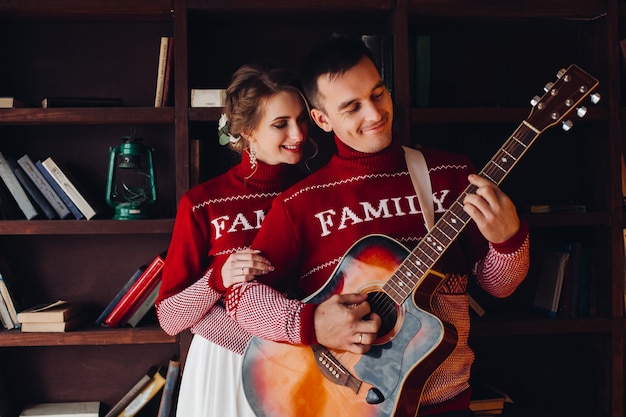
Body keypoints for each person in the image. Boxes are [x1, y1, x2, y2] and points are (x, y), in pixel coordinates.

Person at [224, 36, 530, 416]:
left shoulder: (450, 174)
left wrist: (509, 241)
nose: (375, 114)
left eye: (379, 94)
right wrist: (312, 323)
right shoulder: (298, 204)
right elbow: (240, 300)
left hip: (447, 405)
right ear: (322, 119)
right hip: (337, 403)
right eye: (352, 107)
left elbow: (498, 287)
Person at [155, 62, 312, 417]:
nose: (299, 134)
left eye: (301, 119)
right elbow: (169, 317)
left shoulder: (314, 193)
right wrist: (217, 279)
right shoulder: (201, 203)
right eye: (280, 124)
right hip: (224, 365)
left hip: (306, 357)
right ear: (246, 130)